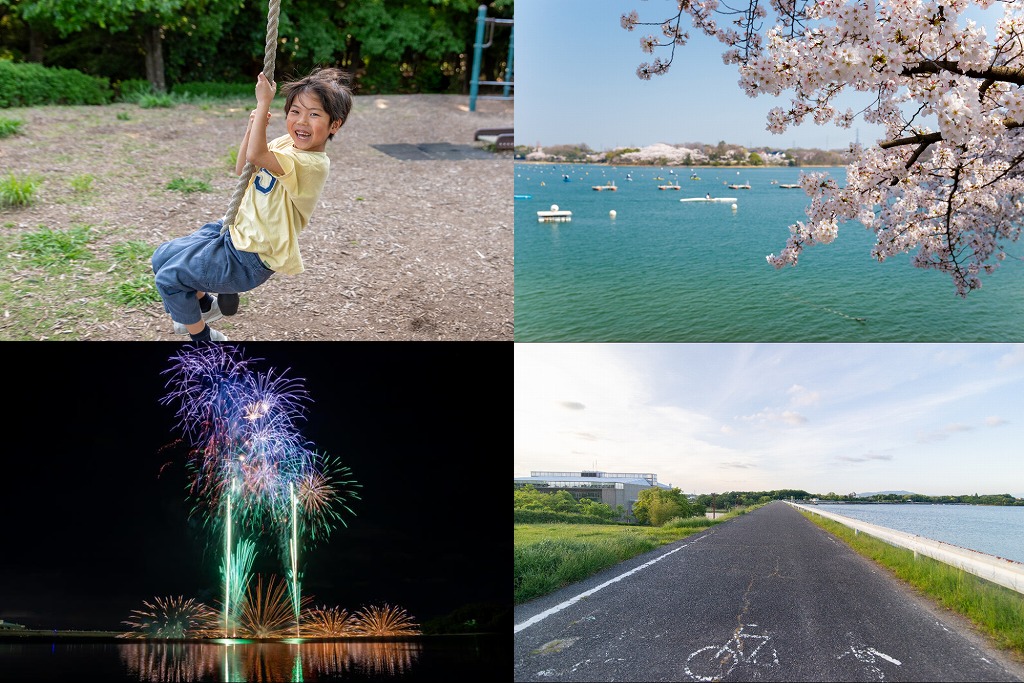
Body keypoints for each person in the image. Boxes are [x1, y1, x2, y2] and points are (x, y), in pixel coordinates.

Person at [151, 67, 353, 341]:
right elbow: (243, 165)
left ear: (335, 125)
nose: (302, 121)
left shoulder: (311, 165)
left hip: (251, 257)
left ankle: (204, 340)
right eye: (295, 111)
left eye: (314, 114)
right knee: (161, 257)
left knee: (169, 279)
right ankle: (203, 305)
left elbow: (258, 153)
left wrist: (263, 103)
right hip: (234, 230)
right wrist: (252, 125)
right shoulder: (288, 142)